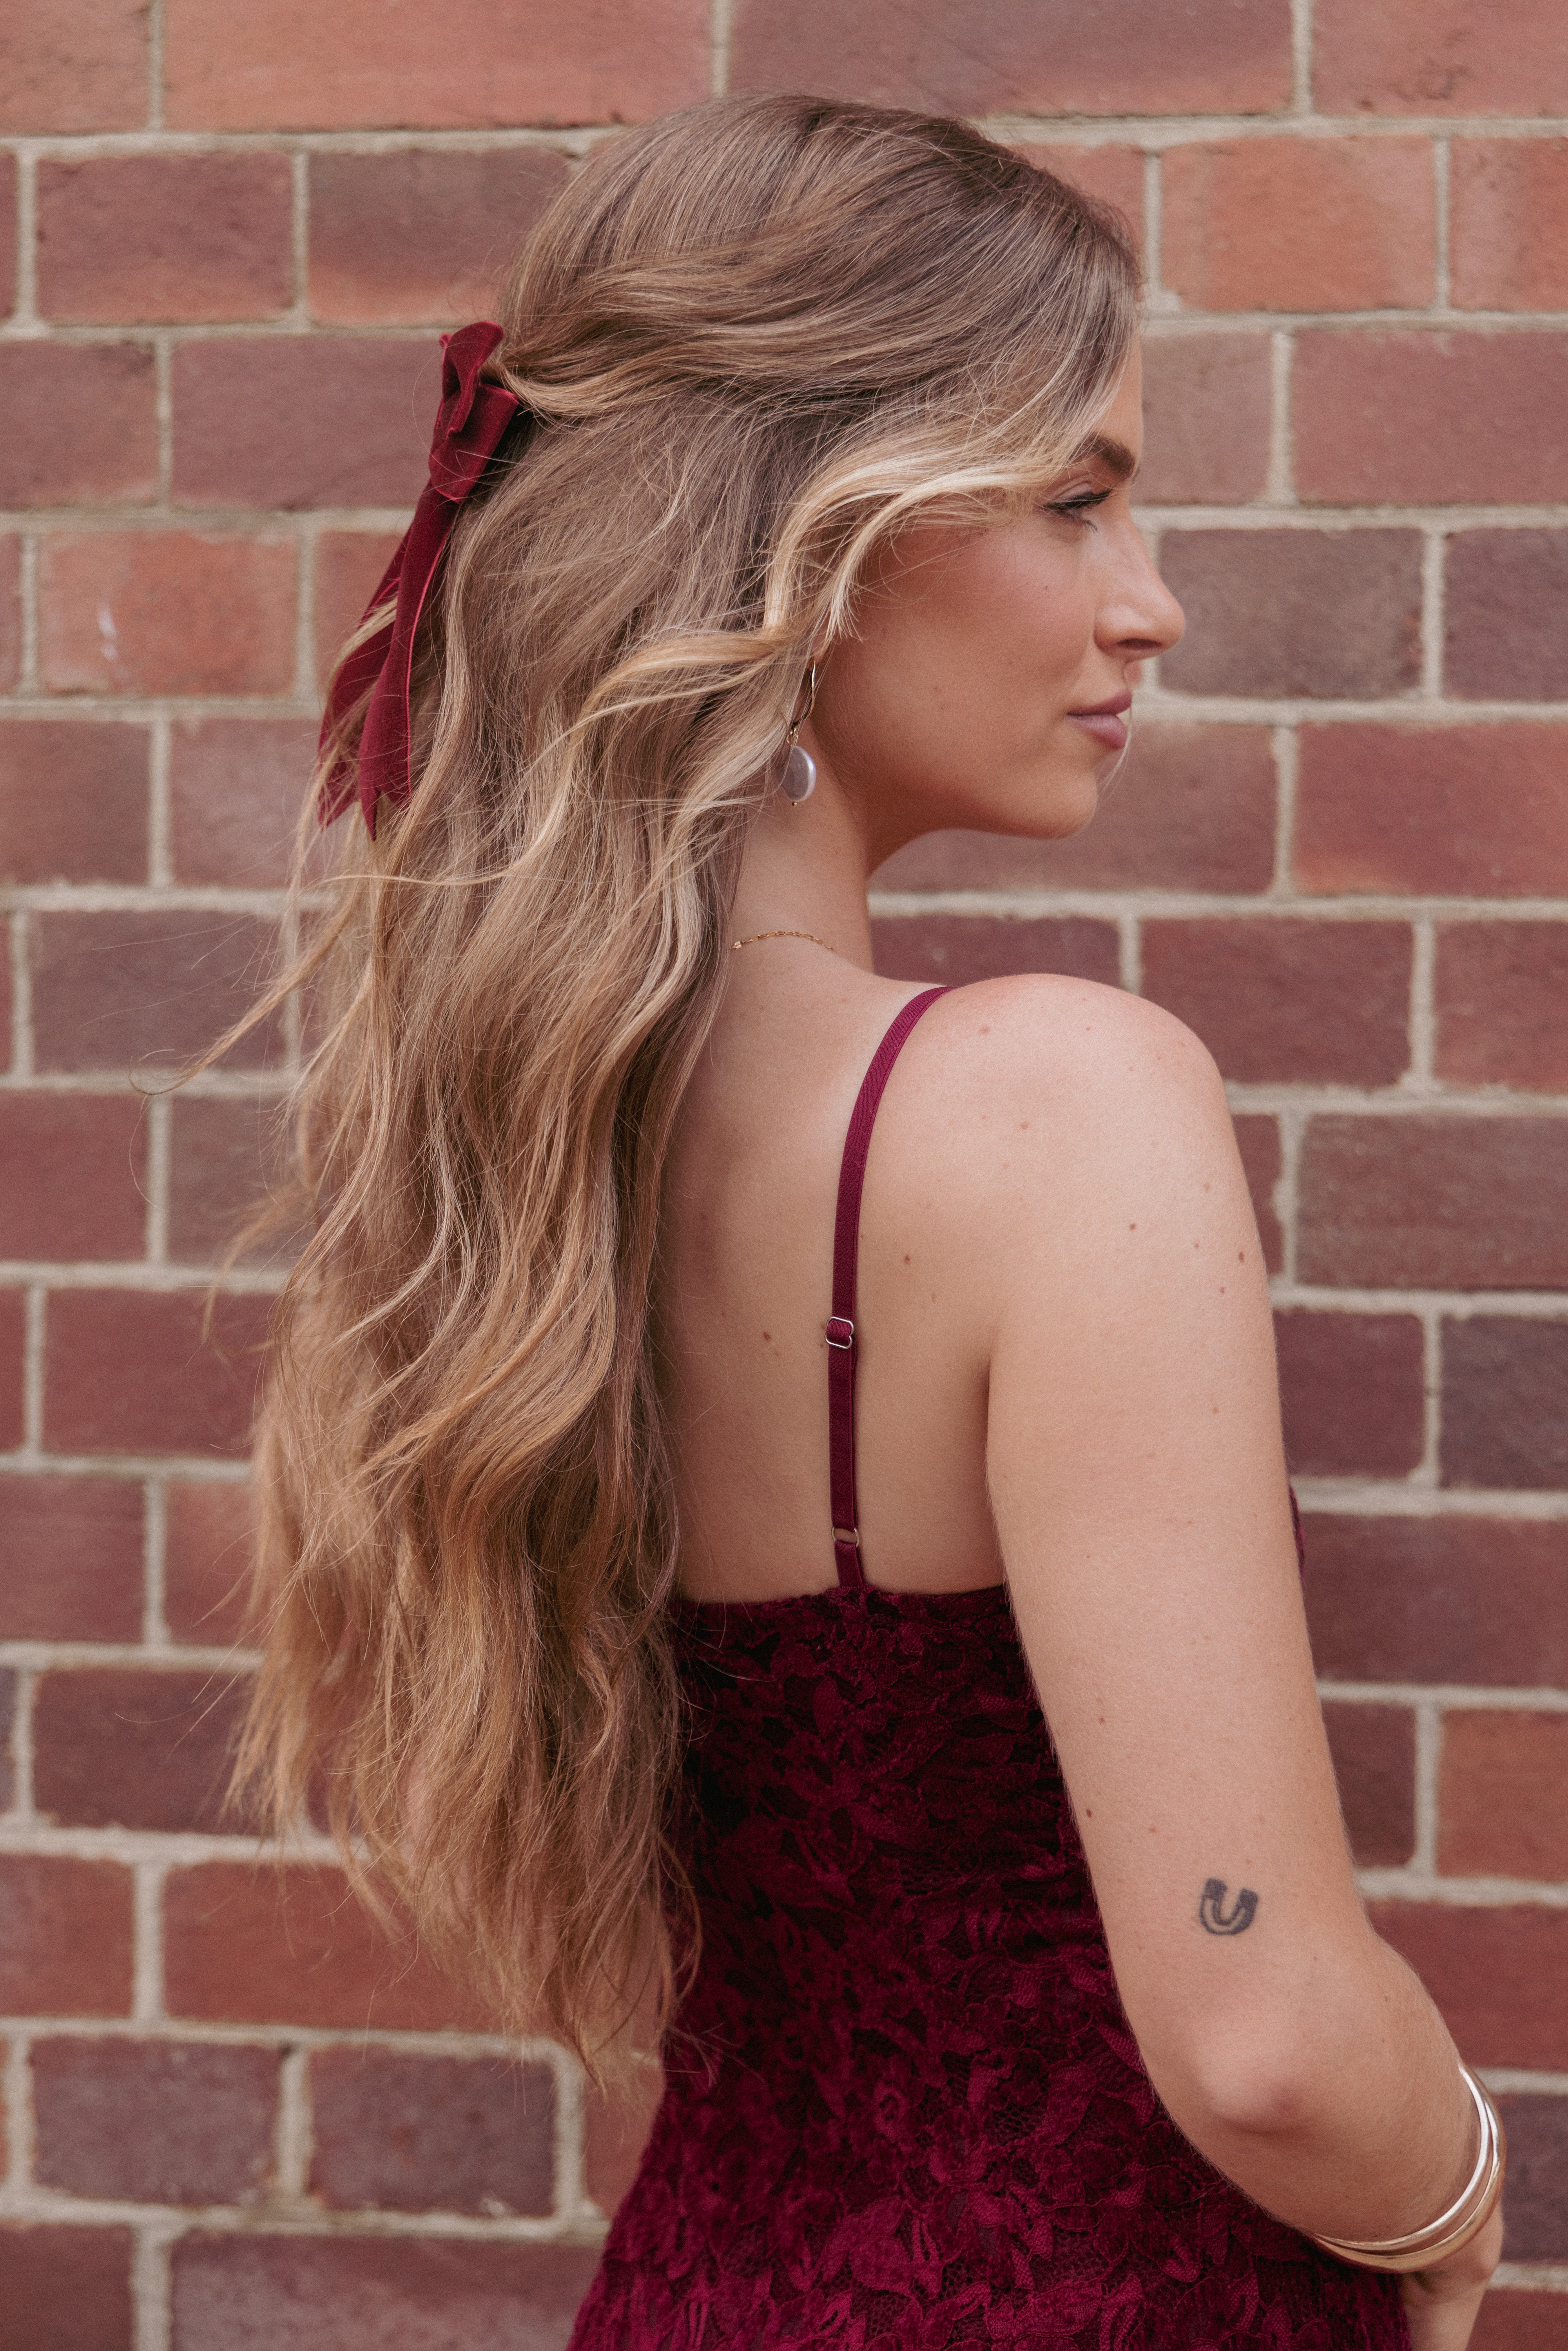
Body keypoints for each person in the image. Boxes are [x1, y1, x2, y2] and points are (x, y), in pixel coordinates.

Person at [235, 94, 1504, 2348]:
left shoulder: (524, 1159)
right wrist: (1460, 2199)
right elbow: (1267, 2040)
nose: (1149, 601)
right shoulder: (1054, 1111)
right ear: (805, 543)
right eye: (1074, 497)